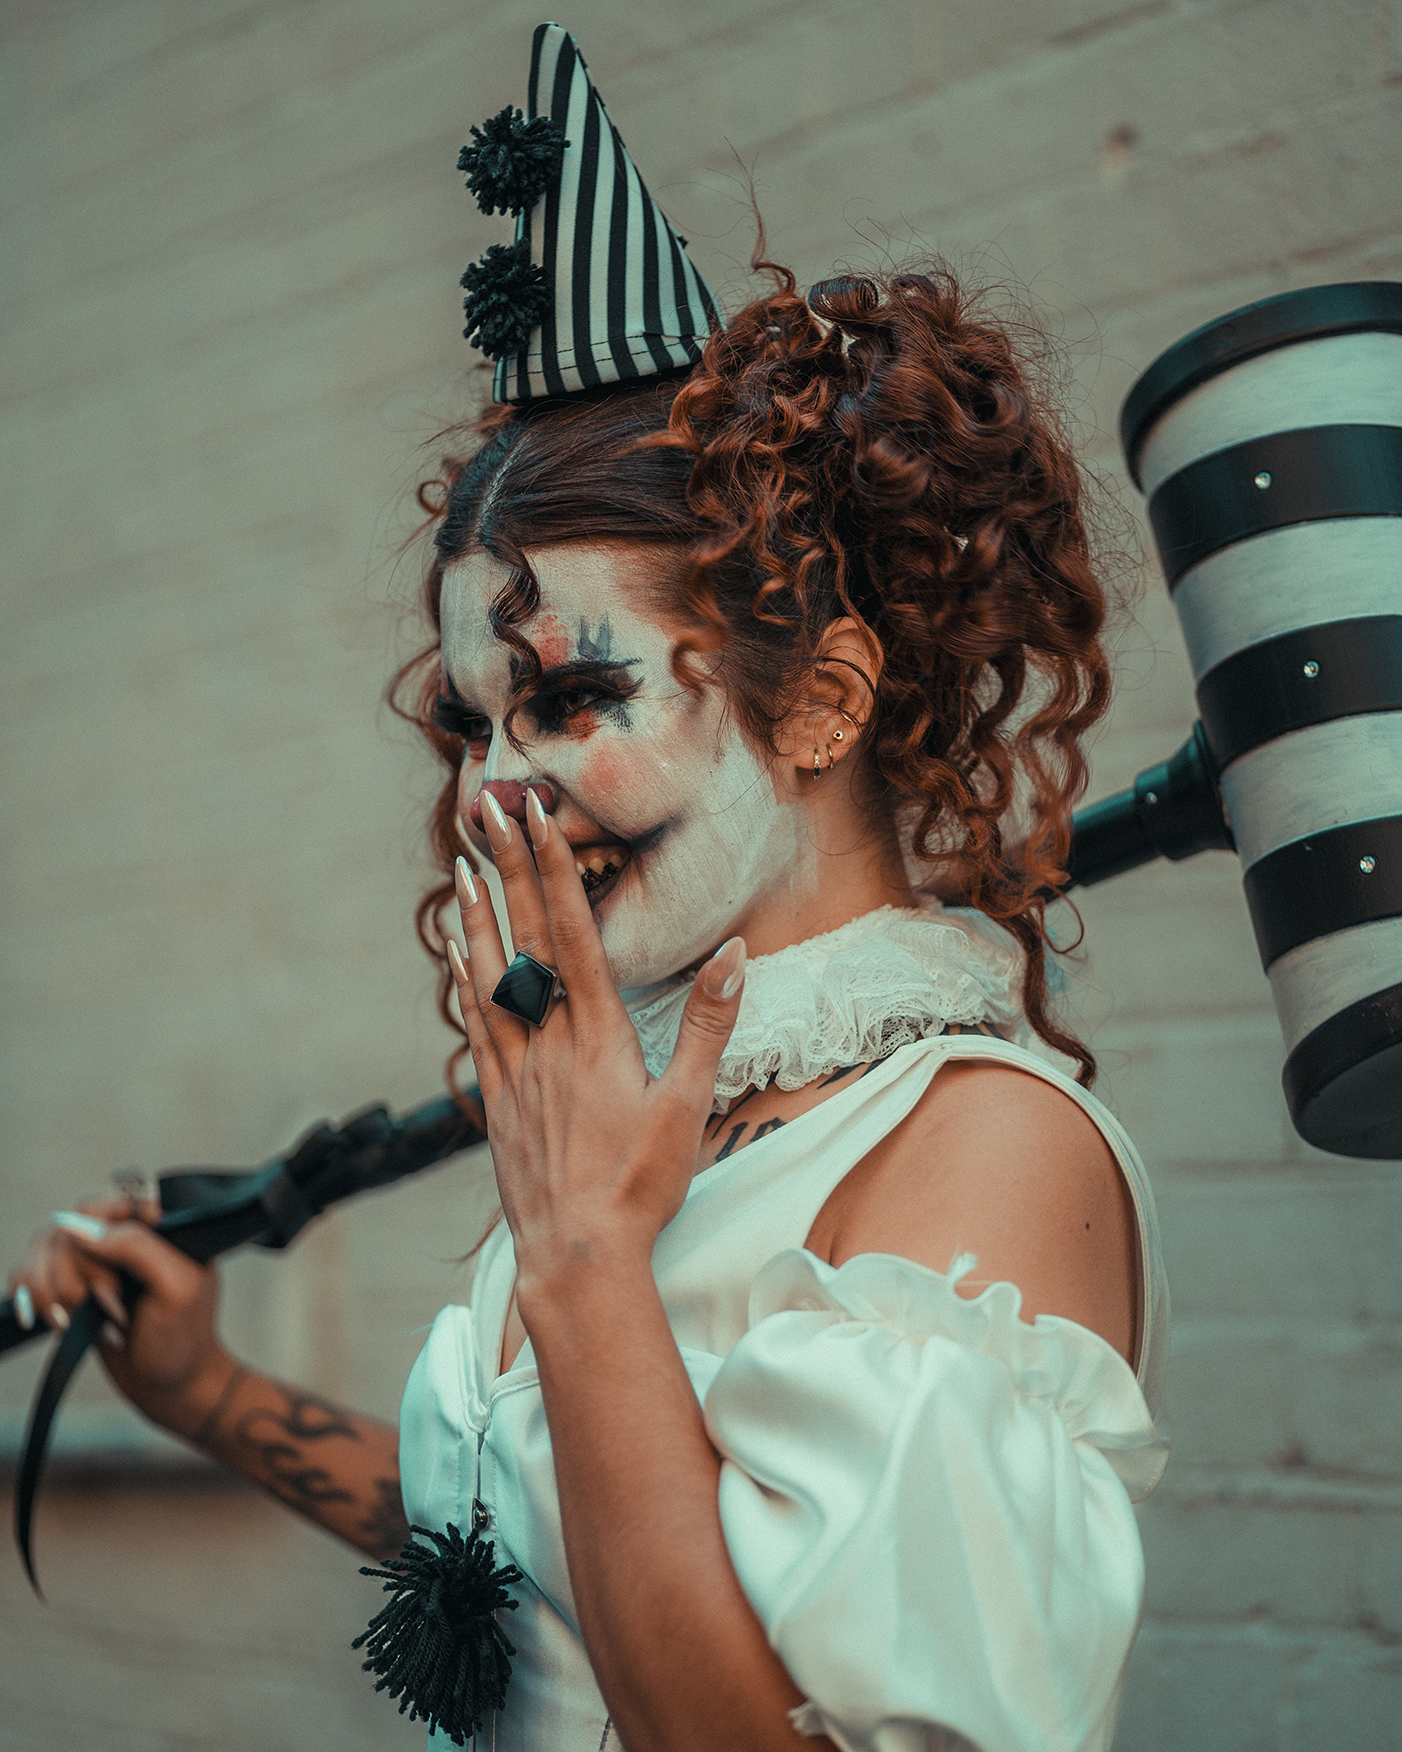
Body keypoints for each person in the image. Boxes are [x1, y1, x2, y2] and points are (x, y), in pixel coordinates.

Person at [10, 25, 1168, 1752]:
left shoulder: (975, 1148)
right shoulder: (632, 1110)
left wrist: (579, 1255)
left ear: (822, 700)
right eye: (472, 724)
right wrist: (217, 1398)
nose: (492, 792)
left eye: (568, 695)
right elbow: (544, 1577)